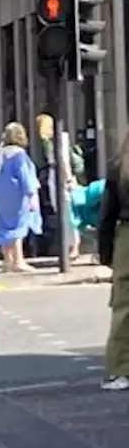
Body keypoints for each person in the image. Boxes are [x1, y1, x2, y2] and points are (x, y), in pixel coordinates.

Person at [98, 135, 129, 390]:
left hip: (126, 237)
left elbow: (108, 211)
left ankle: (120, 369)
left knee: (124, 306)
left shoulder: (119, 165)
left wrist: (106, 251)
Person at [0, 122, 42, 272]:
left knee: (4, 225)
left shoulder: (0, 153)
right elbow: (25, 176)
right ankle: (19, 260)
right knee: (19, 225)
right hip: (17, 193)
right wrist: (32, 194)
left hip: (1, 192)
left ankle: (7, 260)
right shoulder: (19, 154)